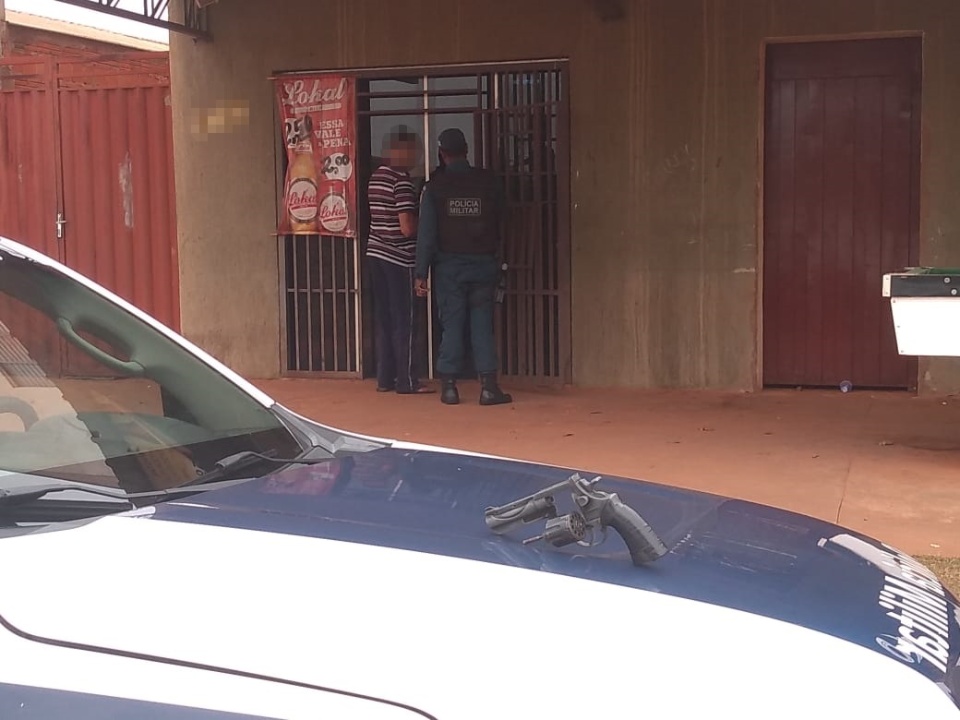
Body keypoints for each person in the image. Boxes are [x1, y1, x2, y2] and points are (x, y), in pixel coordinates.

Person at [415, 128, 512, 406]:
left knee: (452, 325)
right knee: (482, 326)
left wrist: (421, 272)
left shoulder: (435, 187)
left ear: (442, 154)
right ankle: (489, 387)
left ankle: (449, 387)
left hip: (450, 268)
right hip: (483, 265)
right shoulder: (488, 182)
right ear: (466, 151)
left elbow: (427, 234)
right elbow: (503, 220)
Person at [366, 128, 433, 395]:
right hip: (399, 258)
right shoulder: (401, 182)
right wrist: (425, 224)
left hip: (376, 254)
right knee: (405, 321)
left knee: (384, 319)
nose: (417, 157)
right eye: (413, 151)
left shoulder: (376, 178)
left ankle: (385, 379)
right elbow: (407, 227)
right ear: (398, 152)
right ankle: (408, 381)